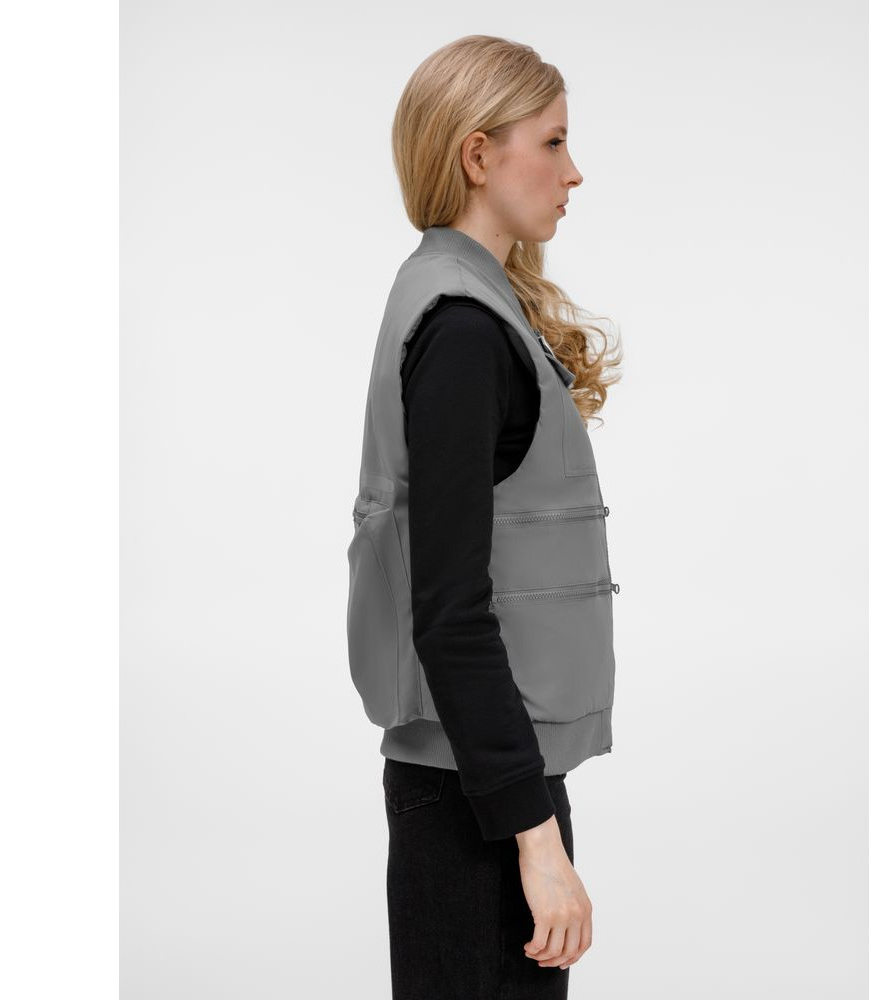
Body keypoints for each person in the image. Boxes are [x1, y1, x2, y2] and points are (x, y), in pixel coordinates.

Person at [347, 34, 623, 999]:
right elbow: (450, 609)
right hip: (481, 799)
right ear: (477, 155)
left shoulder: (464, 301)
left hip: (488, 781)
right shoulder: (464, 329)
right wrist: (535, 840)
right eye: (552, 142)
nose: (573, 171)